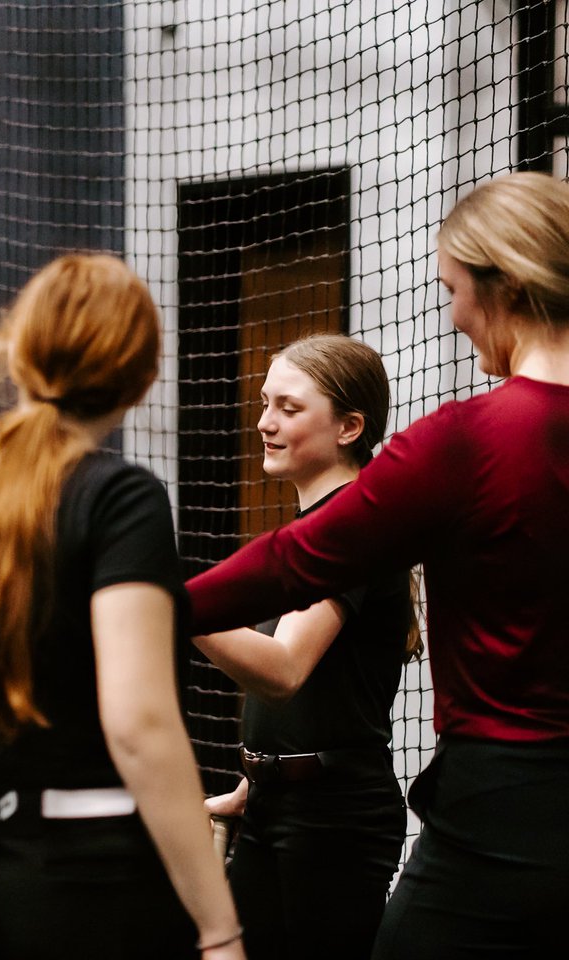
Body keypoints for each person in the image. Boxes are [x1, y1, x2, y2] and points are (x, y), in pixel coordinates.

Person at [186, 171, 569, 959]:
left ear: (504, 286)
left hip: (500, 796)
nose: (456, 313)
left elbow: (296, 563)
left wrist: (144, 596)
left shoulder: (467, 439)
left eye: (455, 289)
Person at [0, 254, 245, 959]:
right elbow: (140, 724)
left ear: (21, 350)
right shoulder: (122, 498)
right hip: (91, 876)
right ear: (142, 375)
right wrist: (219, 928)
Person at [195, 335, 418, 960]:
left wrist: (166, 606)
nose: (264, 423)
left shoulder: (352, 526)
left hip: (334, 822)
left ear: (350, 426)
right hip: (275, 805)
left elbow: (286, 669)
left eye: (289, 409)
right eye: (266, 403)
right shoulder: (309, 529)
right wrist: (260, 778)